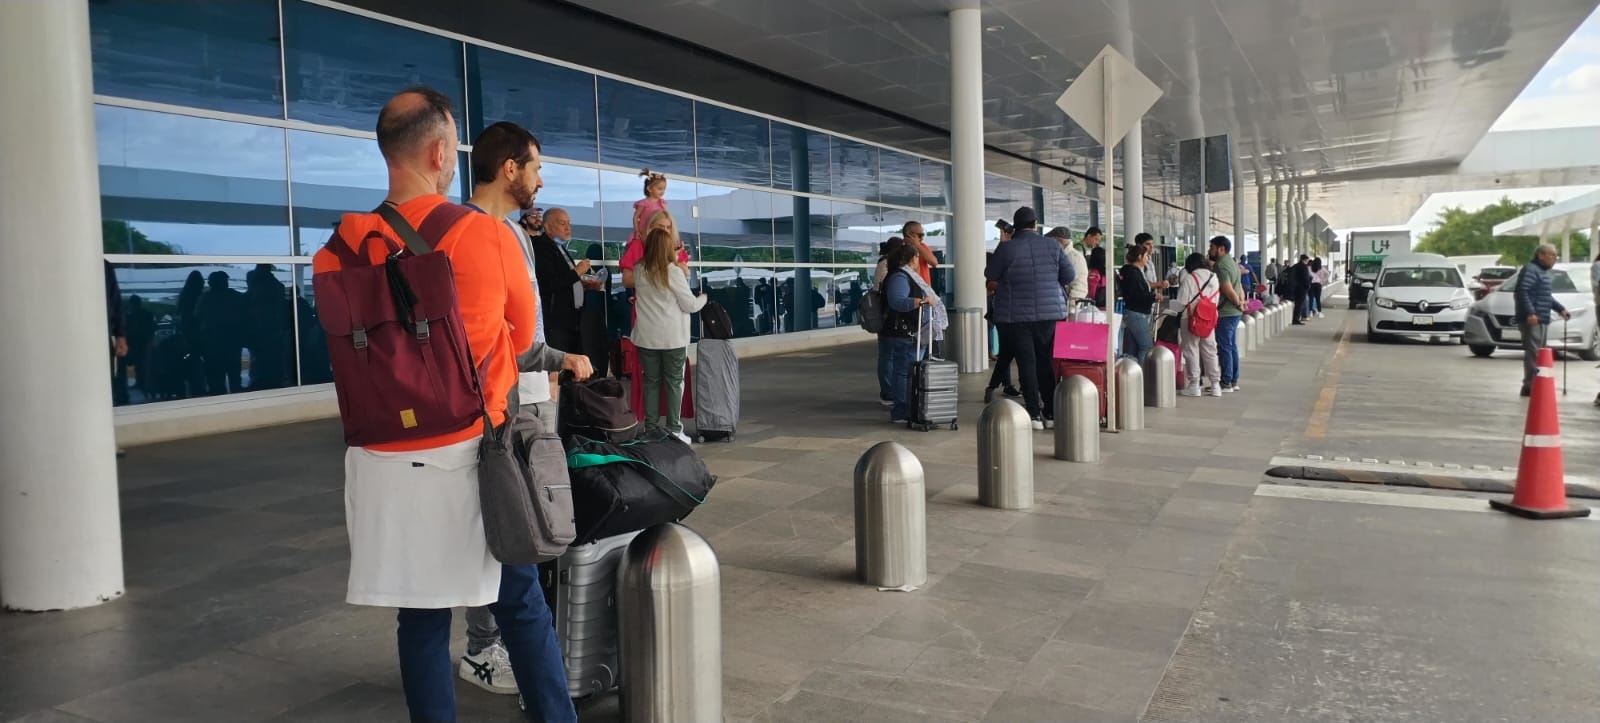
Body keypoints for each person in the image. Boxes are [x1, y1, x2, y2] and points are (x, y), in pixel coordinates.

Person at [311, 87, 578, 723]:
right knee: (519, 601)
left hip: (379, 457)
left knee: (421, 617)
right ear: (439, 153)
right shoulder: (482, 236)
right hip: (469, 451)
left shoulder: (337, 250)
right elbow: (518, 339)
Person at [457, 122, 594, 698]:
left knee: (512, 523)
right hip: (499, 404)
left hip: (502, 398)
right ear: (509, 168)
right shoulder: (486, 234)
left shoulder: (484, 231)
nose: (540, 179)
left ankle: (497, 639)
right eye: (534, 167)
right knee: (511, 523)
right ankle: (486, 646)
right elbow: (509, 337)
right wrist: (563, 357)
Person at [985, 207, 1074, 430]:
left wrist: (1003, 246)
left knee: (1026, 362)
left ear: (1014, 226)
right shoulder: (1053, 245)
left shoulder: (1007, 248)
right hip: (1048, 314)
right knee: (1045, 361)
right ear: (1035, 223)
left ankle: (1033, 414)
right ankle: (1051, 413)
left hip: (1016, 315)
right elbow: (1069, 275)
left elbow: (990, 275)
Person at [633, 227, 706, 441]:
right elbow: (690, 305)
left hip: (646, 337)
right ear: (667, 248)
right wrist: (703, 298)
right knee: (674, 383)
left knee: (652, 382)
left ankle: (651, 428)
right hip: (672, 337)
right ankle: (674, 428)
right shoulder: (672, 271)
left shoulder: (639, 269)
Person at [528, 207, 603, 359]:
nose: (568, 227)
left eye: (569, 223)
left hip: (573, 318)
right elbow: (548, 283)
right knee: (560, 366)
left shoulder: (559, 246)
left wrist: (582, 284)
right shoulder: (542, 247)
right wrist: (577, 272)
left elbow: (564, 279)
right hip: (556, 321)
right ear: (547, 226)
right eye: (562, 223)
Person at [881, 245, 938, 423]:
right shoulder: (900, 276)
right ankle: (901, 410)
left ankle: (908, 407)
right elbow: (897, 301)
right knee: (904, 372)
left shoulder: (905, 275)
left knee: (908, 371)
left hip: (912, 332)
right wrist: (921, 302)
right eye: (916, 257)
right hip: (904, 333)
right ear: (911, 258)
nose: (918, 260)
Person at [1514, 244, 1571, 398]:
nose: (1555, 259)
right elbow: (1522, 291)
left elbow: (1546, 296)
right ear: (1540, 255)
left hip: (1541, 317)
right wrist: (1530, 312)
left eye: (1555, 256)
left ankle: (1533, 384)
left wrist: (1560, 309)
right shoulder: (1531, 270)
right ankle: (1530, 385)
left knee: (1538, 353)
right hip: (1532, 318)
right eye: (1552, 255)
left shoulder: (1543, 272)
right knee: (1533, 353)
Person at [619, 174, 690, 289]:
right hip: (648, 304)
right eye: (661, 227)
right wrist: (660, 274)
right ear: (651, 228)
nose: (665, 231)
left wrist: (672, 257)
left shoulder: (673, 245)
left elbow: (686, 272)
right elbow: (627, 281)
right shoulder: (639, 246)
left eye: (668, 227)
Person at [1176, 252, 1223, 398]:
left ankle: (1194, 385)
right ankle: (1216, 385)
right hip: (1209, 318)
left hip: (1190, 318)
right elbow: (1216, 298)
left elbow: (1182, 301)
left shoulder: (1190, 278)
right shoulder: (1214, 277)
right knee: (1210, 350)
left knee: (1191, 350)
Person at [1209, 237, 1246, 393]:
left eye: (1212, 247)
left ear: (1221, 249)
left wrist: (1237, 302)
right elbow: (1239, 287)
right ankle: (1233, 380)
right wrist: (1241, 302)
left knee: (1224, 346)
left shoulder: (1221, 265)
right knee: (1231, 346)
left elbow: (1227, 288)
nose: (1210, 250)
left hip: (1226, 312)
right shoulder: (1232, 263)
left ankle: (1226, 382)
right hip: (1234, 311)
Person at [874, 236, 907, 407]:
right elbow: (881, 290)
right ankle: (887, 392)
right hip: (887, 316)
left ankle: (891, 390)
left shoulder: (891, 266)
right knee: (887, 356)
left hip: (890, 316)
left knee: (890, 355)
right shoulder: (886, 265)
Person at [1118, 244, 1157, 364]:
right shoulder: (1134, 273)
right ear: (1140, 256)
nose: (1147, 258)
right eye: (1146, 256)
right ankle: (1144, 377)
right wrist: (1153, 297)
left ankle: (1131, 376)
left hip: (1133, 312)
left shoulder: (1133, 271)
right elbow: (1137, 294)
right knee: (1146, 346)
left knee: (1132, 349)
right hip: (1137, 313)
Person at [1047, 227, 1089, 305]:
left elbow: (1079, 287)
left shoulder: (1076, 257)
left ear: (1060, 241)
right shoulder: (1058, 255)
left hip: (1066, 307)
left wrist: (1071, 309)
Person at [902, 221, 938, 285]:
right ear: (909, 234)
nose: (922, 238)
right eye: (920, 235)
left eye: (923, 235)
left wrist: (917, 246)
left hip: (925, 289)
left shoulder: (922, 247)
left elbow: (934, 262)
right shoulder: (900, 248)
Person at [1289, 255, 1313, 324]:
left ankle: (1296, 318)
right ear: (1305, 260)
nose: (1308, 262)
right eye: (1307, 260)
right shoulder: (1303, 267)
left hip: (1296, 287)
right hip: (1302, 288)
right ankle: (1296, 319)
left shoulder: (1296, 266)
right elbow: (1305, 278)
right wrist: (1308, 286)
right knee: (1299, 304)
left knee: (1297, 304)